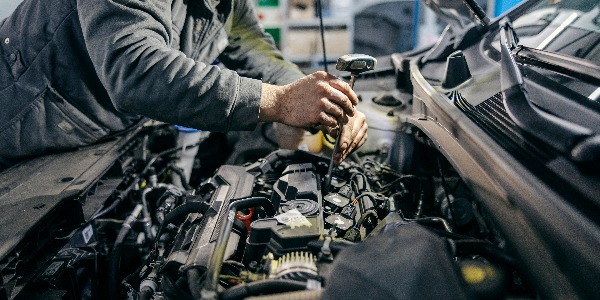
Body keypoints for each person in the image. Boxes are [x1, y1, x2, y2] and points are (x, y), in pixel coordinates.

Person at [0, 0, 367, 170]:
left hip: (89, 131)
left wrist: (324, 100)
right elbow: (134, 68)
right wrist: (280, 101)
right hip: (19, 119)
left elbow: (258, 53)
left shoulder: (227, 3)